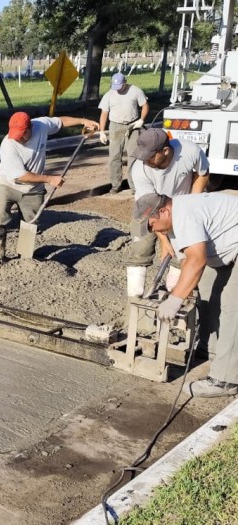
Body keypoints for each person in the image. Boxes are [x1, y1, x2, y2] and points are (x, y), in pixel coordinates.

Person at [133, 192, 238, 397]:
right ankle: (213, 349)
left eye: (151, 223)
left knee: (232, 306)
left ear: (163, 211)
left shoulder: (185, 214)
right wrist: (179, 291)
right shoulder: (173, 225)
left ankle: (226, 379)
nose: (152, 230)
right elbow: (186, 262)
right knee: (207, 292)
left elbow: (197, 260)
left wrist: (175, 300)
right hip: (225, 251)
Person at [0, 111, 100, 264]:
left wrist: (83, 120)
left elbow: (61, 121)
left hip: (33, 189)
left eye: (21, 134)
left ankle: (24, 256)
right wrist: (50, 179)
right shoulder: (8, 145)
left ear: (29, 128)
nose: (17, 138)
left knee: (31, 221)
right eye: (15, 134)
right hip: (7, 183)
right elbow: (21, 175)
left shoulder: (41, 125)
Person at [124, 128, 209, 298]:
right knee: (142, 247)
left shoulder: (190, 151)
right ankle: (135, 296)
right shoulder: (140, 170)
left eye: (150, 155)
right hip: (149, 208)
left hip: (179, 207)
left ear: (165, 151)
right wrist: (165, 241)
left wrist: (193, 202)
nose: (144, 159)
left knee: (182, 251)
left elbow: (203, 173)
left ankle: (174, 291)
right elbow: (150, 213)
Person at [97, 72, 149, 193]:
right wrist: (102, 131)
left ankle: (134, 185)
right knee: (114, 156)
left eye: (120, 86)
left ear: (125, 82)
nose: (118, 89)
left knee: (133, 155)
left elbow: (145, 106)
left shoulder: (136, 91)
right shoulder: (109, 94)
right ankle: (115, 184)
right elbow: (104, 113)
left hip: (133, 125)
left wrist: (141, 120)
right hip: (115, 125)